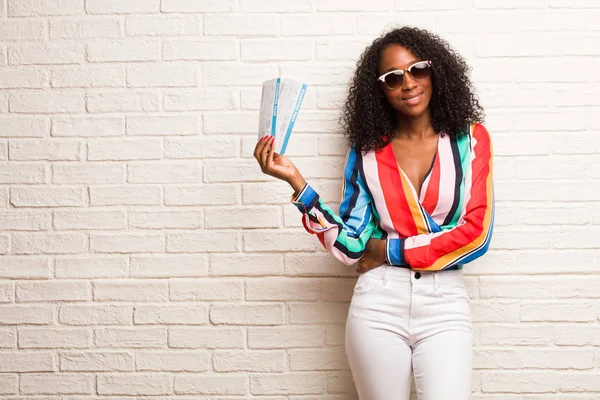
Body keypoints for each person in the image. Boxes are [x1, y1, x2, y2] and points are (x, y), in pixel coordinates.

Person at [254, 26, 494, 400]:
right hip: (378, 302)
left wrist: (387, 250)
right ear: (380, 89)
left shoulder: (471, 138)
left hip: (444, 303)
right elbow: (352, 245)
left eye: (419, 69)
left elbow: (476, 235)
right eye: (393, 77)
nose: (409, 83)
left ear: (437, 71)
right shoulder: (368, 151)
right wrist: (298, 185)